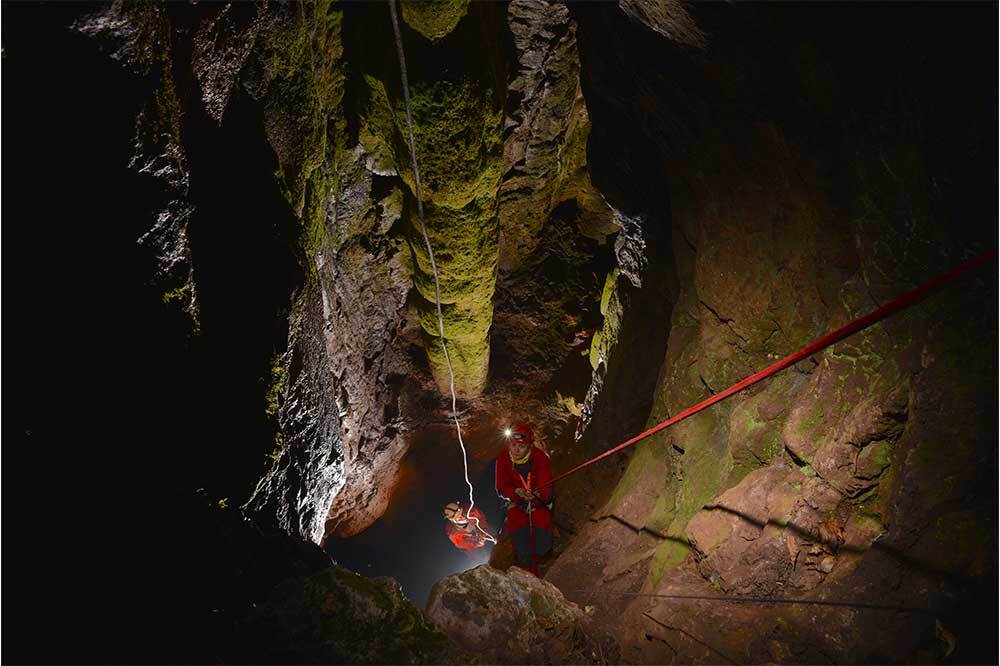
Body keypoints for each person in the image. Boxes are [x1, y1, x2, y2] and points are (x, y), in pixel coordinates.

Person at [494, 423, 553, 575]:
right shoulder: (503, 458)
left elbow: (546, 489)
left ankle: (542, 563)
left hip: (538, 504)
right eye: (513, 445)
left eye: (521, 446)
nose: (516, 450)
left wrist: (536, 496)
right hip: (517, 504)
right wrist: (515, 492)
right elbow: (501, 486)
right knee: (522, 547)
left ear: (530, 446)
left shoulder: (540, 458)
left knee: (542, 546)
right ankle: (526, 569)